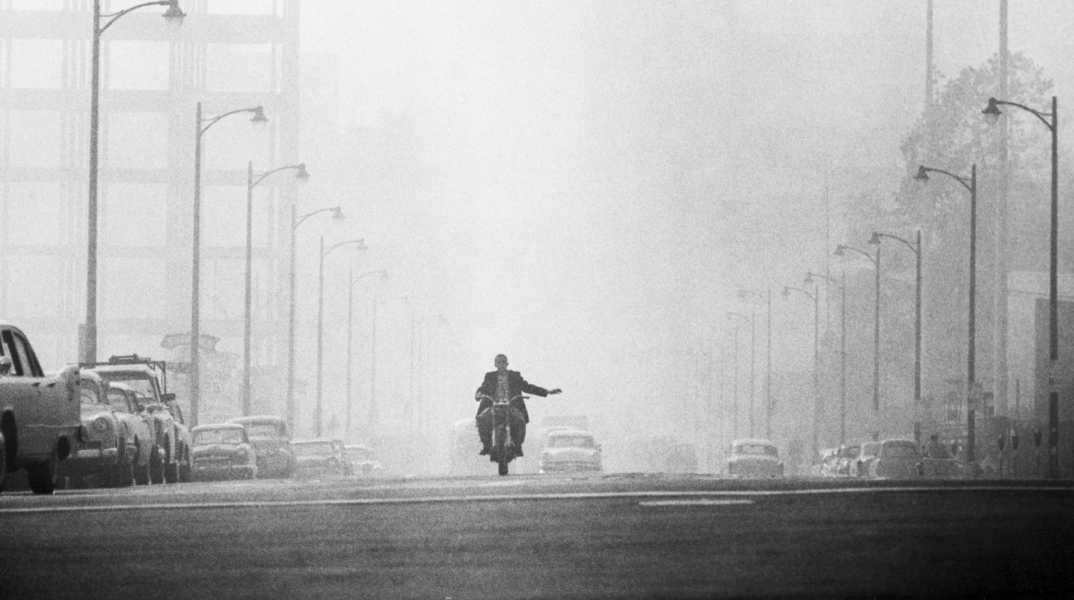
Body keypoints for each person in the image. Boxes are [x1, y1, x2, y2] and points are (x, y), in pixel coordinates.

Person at [474, 354, 561, 457]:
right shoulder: (490, 376)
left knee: (520, 420)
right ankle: (486, 445)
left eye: (503, 361)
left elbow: (527, 387)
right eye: (499, 362)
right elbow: (483, 387)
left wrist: (547, 391)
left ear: (507, 363)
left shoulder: (515, 376)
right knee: (482, 419)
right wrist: (479, 394)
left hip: (512, 406)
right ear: (495, 364)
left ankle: (518, 445)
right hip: (493, 406)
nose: (501, 364)